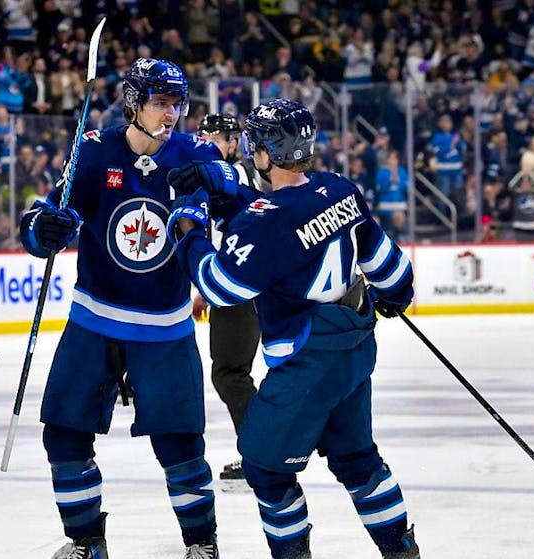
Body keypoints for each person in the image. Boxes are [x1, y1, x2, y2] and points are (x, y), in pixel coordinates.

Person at [166, 99, 420, 559]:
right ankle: (402, 551)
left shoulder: (264, 222)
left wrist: (189, 227)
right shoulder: (338, 189)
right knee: (356, 457)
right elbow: (389, 266)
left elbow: (217, 286)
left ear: (264, 154)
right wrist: (394, 294)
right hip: (354, 346)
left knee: (264, 468)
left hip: (306, 362)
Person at [19, 58, 222, 559]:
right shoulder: (92, 151)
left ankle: (202, 544)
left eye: (178, 103)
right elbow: (45, 216)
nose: (171, 114)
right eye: (159, 103)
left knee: (180, 445)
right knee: (64, 437)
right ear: (134, 104)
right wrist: (41, 230)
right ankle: (86, 541)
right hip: (95, 319)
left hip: (164, 327)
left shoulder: (195, 155)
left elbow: (212, 213)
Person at [190, 112, 261, 481]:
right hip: (229, 288)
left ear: (234, 143)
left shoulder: (238, 174)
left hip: (239, 290)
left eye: (215, 135)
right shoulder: (212, 172)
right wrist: (206, 288)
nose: (206, 141)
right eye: (202, 134)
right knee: (232, 373)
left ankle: (261, 455)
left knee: (230, 374)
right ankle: (261, 451)